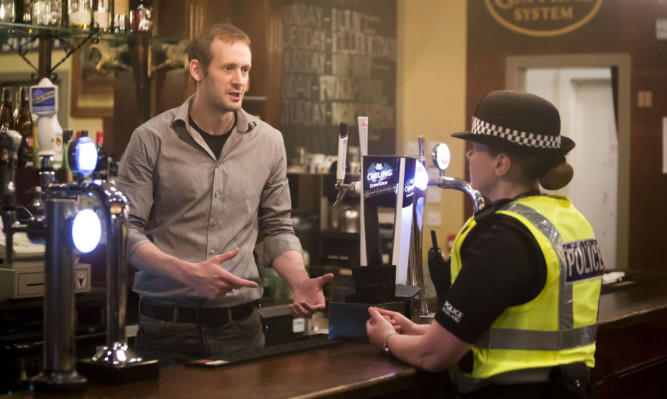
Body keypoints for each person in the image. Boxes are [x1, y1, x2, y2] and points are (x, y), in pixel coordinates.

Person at [116, 23, 333, 364]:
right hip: (165, 328)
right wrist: (187, 273)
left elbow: (276, 228)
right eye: (228, 68)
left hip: (241, 329)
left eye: (245, 69)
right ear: (197, 70)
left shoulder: (269, 142)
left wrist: (300, 282)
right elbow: (125, 233)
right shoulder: (150, 139)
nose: (240, 80)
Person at [366, 90, 604, 398]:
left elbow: (433, 356)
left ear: (501, 163)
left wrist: (387, 339)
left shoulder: (503, 238)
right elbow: (513, 330)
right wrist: (423, 331)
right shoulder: (569, 221)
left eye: (475, 148)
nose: (467, 156)